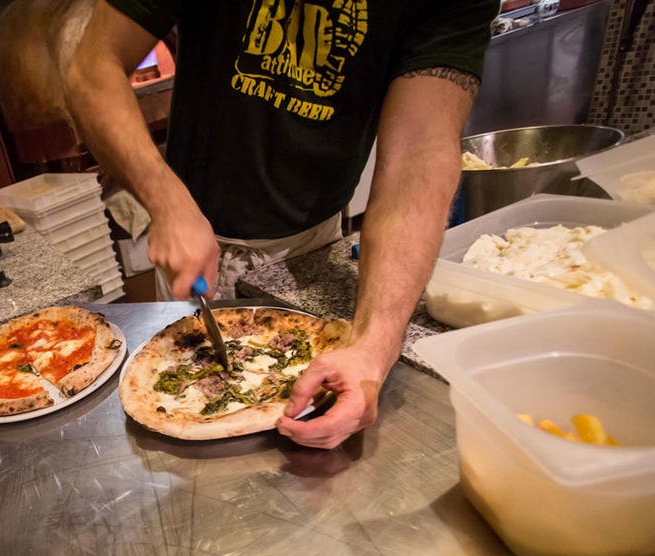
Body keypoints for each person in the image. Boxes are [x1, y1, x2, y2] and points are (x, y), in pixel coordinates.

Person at [65, 0, 498, 449]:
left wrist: (373, 349)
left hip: (315, 241)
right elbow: (90, 65)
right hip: (190, 238)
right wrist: (166, 201)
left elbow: (419, 149)